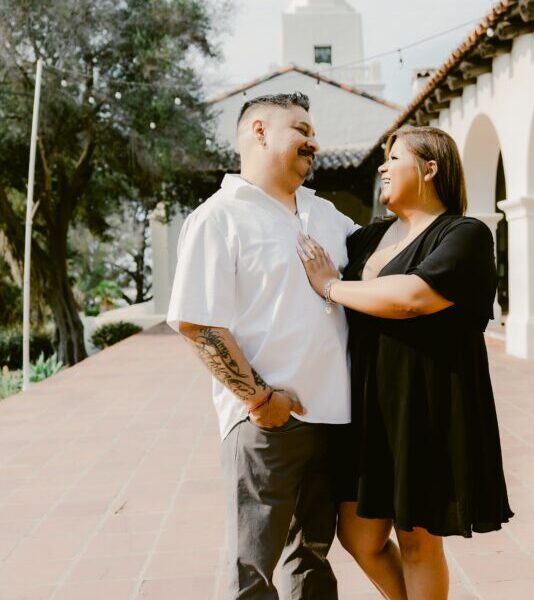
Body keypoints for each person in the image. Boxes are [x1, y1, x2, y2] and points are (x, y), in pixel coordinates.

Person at [297, 125, 514, 600]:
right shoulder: (366, 239)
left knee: (417, 541)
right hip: (367, 406)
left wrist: (331, 287)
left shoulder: (464, 234)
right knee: (359, 537)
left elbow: (412, 298)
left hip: (425, 405)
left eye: (394, 158)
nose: (382, 167)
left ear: (430, 168)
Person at [167, 92, 357, 599]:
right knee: (250, 573)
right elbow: (197, 324)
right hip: (267, 425)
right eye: (301, 129)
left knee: (312, 565)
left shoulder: (326, 214)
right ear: (258, 131)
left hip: (332, 420)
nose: (314, 142)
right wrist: (260, 400)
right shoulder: (219, 217)